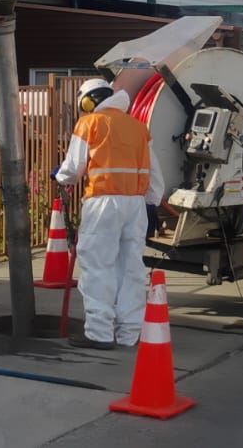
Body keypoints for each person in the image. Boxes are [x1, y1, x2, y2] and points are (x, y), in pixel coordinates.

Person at [55, 76, 165, 349]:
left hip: (103, 202)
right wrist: (151, 201)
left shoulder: (90, 123)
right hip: (136, 205)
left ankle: (99, 332)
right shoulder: (139, 128)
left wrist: (61, 177)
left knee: (98, 267)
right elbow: (155, 175)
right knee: (131, 268)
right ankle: (129, 333)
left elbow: (72, 169)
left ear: (89, 100)